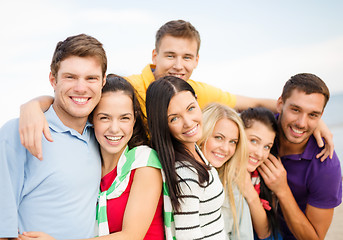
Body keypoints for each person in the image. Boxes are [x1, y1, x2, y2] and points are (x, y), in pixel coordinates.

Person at [17, 20, 334, 161]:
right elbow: (82, 96)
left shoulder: (194, 91)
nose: (178, 64)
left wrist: (311, 119)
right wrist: (33, 105)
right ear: (154, 56)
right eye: (170, 55)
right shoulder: (127, 87)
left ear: (197, 60)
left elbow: (252, 102)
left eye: (187, 57)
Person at [18, 75, 165, 240]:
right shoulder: (89, 160)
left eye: (124, 118)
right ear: (91, 118)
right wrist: (32, 106)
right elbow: (61, 103)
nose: (115, 129)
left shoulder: (144, 161)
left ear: (134, 120)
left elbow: (131, 236)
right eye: (104, 118)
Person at [0, 34, 107, 239]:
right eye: (70, 77)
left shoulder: (102, 135)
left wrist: (33, 104)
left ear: (103, 81)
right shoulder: (18, 132)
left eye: (91, 78)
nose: (81, 88)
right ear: (53, 80)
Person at [258, 73, 342, 240]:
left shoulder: (326, 165)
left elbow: (314, 238)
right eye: (295, 110)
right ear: (280, 104)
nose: (301, 123)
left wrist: (282, 191)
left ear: (321, 116)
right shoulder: (258, 131)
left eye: (313, 115)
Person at [145, 76, 226, 239]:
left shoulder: (194, 149)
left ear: (197, 101)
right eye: (174, 118)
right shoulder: (185, 174)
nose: (188, 122)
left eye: (191, 108)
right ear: (163, 125)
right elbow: (188, 236)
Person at [198, 103, 254, 239]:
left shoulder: (232, 185)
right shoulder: (178, 174)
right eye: (219, 137)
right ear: (202, 133)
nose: (226, 148)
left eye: (233, 142)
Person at [240, 108, 282, 240]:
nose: (260, 153)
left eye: (266, 147)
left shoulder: (260, 177)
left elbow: (265, 233)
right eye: (254, 141)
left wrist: (249, 191)